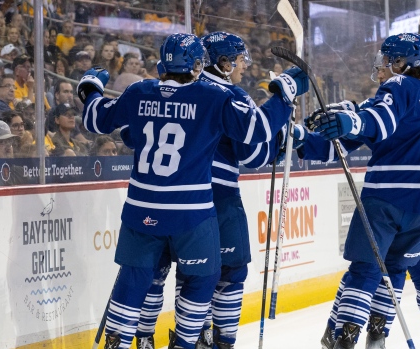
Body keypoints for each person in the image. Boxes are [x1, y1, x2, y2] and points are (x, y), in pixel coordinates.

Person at [76, 33, 307, 349]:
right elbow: (258, 131)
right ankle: (185, 343)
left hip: (140, 209)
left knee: (136, 279)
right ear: (199, 64)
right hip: (190, 213)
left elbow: (96, 119)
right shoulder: (213, 95)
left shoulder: (139, 90)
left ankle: (120, 342)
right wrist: (284, 95)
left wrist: (89, 88)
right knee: (202, 280)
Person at [301, 33, 420, 349]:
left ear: (399, 63)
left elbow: (376, 121)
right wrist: (345, 122)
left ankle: (344, 338)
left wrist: (348, 122)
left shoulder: (396, 87)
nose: (379, 71)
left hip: (386, 198)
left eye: (383, 63)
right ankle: (381, 336)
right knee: (397, 268)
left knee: (366, 267)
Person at [133, 31, 292, 349]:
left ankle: (152, 338)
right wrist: (279, 138)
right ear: (224, 62)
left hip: (164, 195)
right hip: (217, 197)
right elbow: (251, 155)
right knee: (229, 272)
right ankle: (218, 341)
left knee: (168, 273)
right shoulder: (227, 95)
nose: (244, 67)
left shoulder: (181, 87)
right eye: (240, 60)